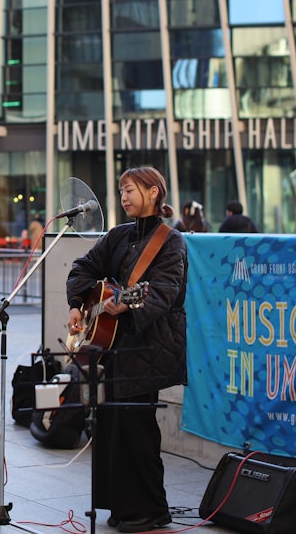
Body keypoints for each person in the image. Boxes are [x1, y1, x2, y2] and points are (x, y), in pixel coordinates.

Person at [66, 166, 187, 533]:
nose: (124, 197)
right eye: (121, 191)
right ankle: (120, 507)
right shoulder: (117, 236)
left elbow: (164, 291)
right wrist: (78, 303)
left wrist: (128, 306)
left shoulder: (171, 241)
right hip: (116, 346)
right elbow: (83, 267)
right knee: (113, 424)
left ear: (154, 192)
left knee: (137, 428)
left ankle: (148, 510)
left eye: (131, 189)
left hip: (150, 344)